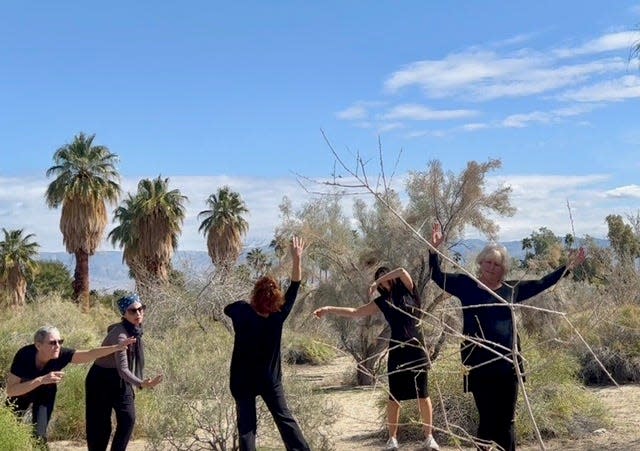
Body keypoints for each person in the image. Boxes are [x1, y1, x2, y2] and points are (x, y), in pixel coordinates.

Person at [428, 223, 586, 451]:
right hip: (479, 365)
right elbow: (437, 276)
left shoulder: (512, 290)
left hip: (508, 365)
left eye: (497, 264)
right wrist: (433, 250)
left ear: (504, 269)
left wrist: (568, 267)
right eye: (488, 262)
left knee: (507, 421)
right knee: (487, 421)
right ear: (480, 263)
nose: (492, 267)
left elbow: (542, 283)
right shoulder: (466, 286)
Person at [314, 266, 440, 451]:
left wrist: (376, 281)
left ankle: (429, 438)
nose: (383, 279)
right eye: (379, 277)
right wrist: (328, 309)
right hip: (397, 350)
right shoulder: (382, 302)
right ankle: (392, 440)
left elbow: (402, 271)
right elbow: (355, 312)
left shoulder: (409, 290)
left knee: (423, 393)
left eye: (384, 276)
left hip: (416, 349)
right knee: (394, 397)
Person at [224, 236, 310, 451]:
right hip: (269, 380)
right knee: (284, 420)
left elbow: (228, 309)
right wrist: (296, 259)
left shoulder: (241, 310)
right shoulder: (277, 316)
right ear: (276, 300)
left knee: (247, 427)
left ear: (255, 295)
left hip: (241, 380)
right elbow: (295, 285)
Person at [5, 325, 136, 444]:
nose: (57, 346)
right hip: (21, 393)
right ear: (38, 345)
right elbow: (11, 391)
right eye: (52, 342)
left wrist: (116, 347)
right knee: (6, 429)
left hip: (45, 394)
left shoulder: (61, 353)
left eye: (60, 341)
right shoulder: (24, 356)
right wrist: (41, 380)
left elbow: (89, 354)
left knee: (39, 435)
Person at [85, 293, 163, 451]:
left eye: (141, 309)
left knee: (128, 419)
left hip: (120, 380)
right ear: (124, 314)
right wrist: (141, 383)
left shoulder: (135, 330)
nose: (138, 313)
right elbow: (123, 368)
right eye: (133, 311)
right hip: (101, 380)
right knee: (100, 427)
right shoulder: (120, 335)